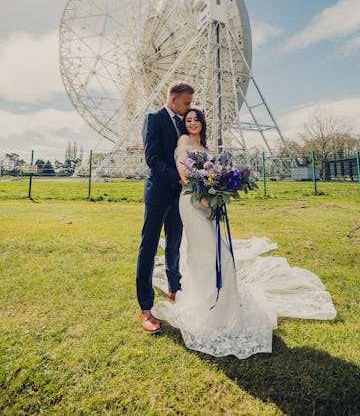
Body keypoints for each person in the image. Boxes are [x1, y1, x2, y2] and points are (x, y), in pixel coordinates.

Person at [152, 108, 337, 358]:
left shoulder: (208, 149)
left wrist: (218, 193)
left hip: (210, 205)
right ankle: (207, 308)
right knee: (208, 254)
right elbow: (185, 175)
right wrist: (203, 195)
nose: (192, 122)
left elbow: (212, 176)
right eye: (188, 120)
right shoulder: (183, 141)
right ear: (185, 125)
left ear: (203, 123)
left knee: (219, 254)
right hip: (193, 203)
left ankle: (222, 307)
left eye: (196, 119)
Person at [137, 81, 194, 333]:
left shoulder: (183, 124)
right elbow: (153, 159)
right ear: (173, 99)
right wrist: (178, 177)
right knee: (149, 247)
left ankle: (175, 288)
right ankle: (146, 307)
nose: (189, 107)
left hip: (178, 196)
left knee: (174, 245)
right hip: (159, 193)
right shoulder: (154, 119)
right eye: (186, 103)